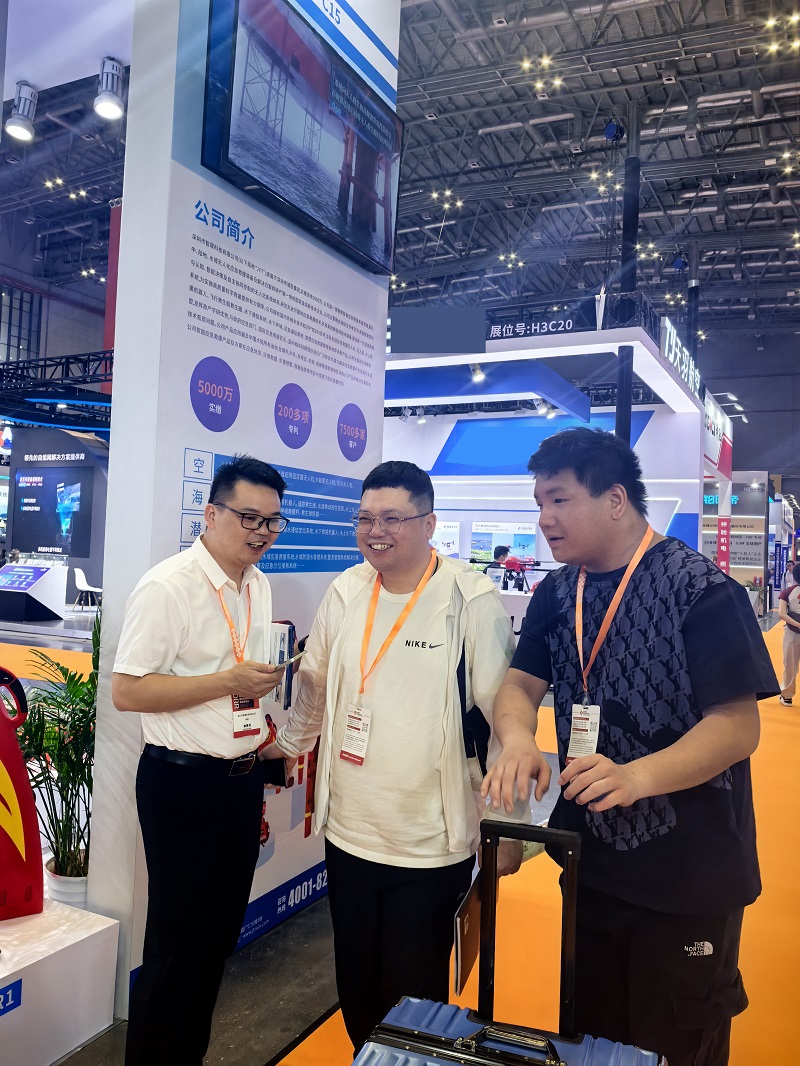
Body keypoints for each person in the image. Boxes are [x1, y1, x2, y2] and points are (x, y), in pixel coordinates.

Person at [482, 427, 778, 1066]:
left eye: (559, 500)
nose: (544, 519)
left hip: (687, 878)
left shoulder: (700, 588)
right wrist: (517, 739)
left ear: (615, 499)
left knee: (674, 1045)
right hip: (589, 867)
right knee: (591, 1040)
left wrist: (637, 776)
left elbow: (736, 726)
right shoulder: (557, 592)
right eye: (539, 503)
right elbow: (520, 685)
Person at [265, 461, 526, 1052]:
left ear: (428, 523)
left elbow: (503, 716)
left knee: (414, 997)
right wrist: (290, 744)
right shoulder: (347, 589)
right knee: (356, 988)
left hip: (430, 841)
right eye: (365, 518)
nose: (374, 531)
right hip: (350, 831)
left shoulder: (467, 597)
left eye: (391, 519)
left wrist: (507, 826)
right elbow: (315, 684)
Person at [112, 455, 291, 1066]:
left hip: (239, 782)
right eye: (248, 517)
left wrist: (257, 709)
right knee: (175, 949)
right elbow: (128, 691)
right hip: (180, 783)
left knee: (215, 943)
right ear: (211, 514)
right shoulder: (170, 586)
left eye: (272, 520)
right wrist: (227, 681)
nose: (260, 531)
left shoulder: (257, 584)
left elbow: (240, 682)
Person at [778, 562, 800, 706]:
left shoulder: (787, 592)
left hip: (792, 632)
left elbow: (781, 614)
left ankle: (787, 696)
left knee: (790, 665)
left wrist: (798, 624)